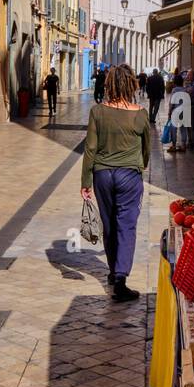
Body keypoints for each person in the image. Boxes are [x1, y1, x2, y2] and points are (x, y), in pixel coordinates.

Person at [81, 63, 150, 302]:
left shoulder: (98, 112)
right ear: (132, 84)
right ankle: (120, 278)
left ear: (109, 84)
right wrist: (141, 166)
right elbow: (147, 149)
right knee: (126, 225)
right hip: (129, 175)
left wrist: (85, 181)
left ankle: (113, 271)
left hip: (102, 174)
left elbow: (89, 148)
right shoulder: (140, 113)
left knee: (109, 224)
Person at [165, 71, 190, 154]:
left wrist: (169, 112)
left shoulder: (174, 90)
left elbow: (171, 102)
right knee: (183, 129)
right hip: (184, 111)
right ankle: (183, 145)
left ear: (175, 82)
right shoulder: (185, 90)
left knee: (174, 129)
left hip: (176, 111)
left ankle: (174, 145)